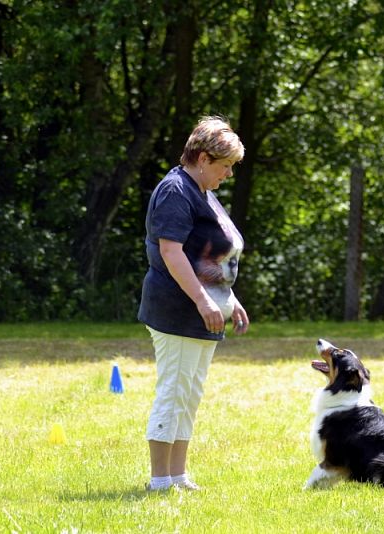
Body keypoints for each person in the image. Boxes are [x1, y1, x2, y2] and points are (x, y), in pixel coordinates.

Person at [138, 116, 249, 490]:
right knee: (174, 390)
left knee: (190, 393)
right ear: (202, 158)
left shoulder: (199, 190)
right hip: (177, 309)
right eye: (225, 166)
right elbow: (171, 252)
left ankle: (178, 475)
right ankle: (159, 481)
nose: (228, 174)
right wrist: (203, 300)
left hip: (203, 311)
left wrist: (227, 298)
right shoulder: (175, 190)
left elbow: (207, 255)